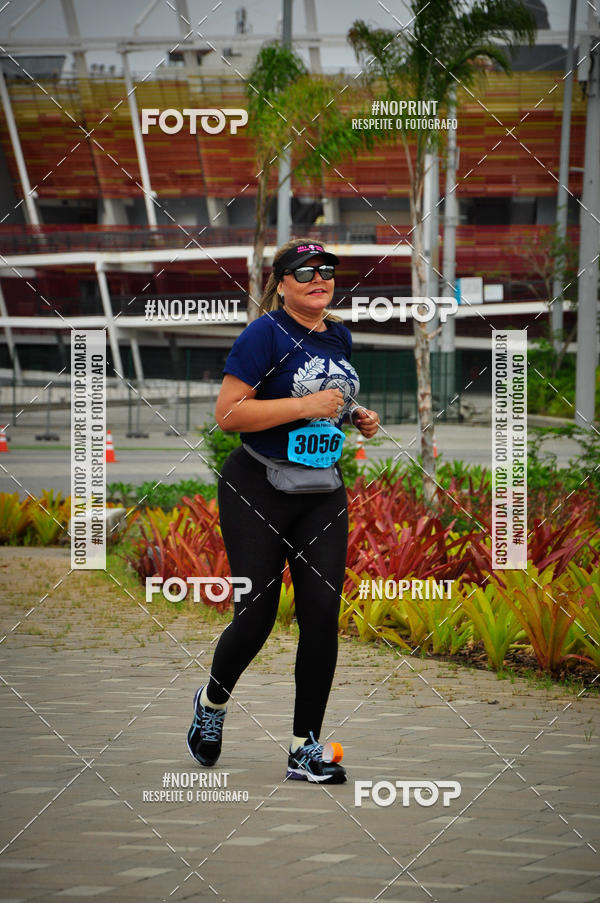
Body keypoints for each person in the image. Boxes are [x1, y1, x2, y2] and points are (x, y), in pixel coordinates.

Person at [187, 238, 380, 784]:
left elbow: (329, 398)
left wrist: (356, 415)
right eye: (306, 271)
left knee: (322, 616)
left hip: (321, 490)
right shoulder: (262, 333)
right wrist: (306, 406)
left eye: (327, 271)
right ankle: (212, 702)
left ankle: (304, 748)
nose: (320, 278)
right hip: (258, 490)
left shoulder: (337, 333)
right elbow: (229, 414)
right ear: (282, 283)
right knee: (257, 617)